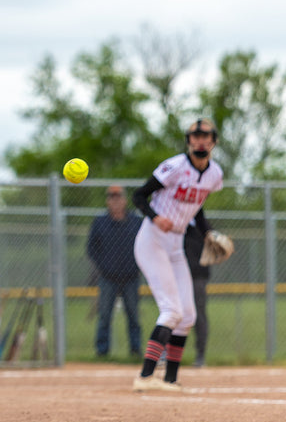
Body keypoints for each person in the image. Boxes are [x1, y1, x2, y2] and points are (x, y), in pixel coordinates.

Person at [130, 119, 223, 392]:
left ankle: (169, 380)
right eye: (195, 136)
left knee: (188, 316)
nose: (200, 140)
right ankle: (145, 377)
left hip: (175, 245)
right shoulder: (174, 167)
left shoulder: (214, 174)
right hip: (152, 241)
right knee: (171, 310)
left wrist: (207, 233)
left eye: (205, 135)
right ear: (188, 141)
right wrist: (155, 217)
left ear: (214, 141)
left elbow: (198, 207)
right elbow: (139, 195)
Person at [86, 185, 143, 358]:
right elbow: (91, 248)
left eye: (118, 197)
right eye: (112, 198)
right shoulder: (100, 222)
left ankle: (135, 351)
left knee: (133, 316)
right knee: (104, 316)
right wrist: (103, 265)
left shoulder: (136, 221)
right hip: (108, 277)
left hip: (131, 276)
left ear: (125, 200)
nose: (115, 201)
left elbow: (145, 244)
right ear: (108, 201)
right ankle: (102, 352)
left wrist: (138, 264)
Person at [183, 221, 210, 367]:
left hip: (198, 276)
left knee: (198, 315)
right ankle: (166, 354)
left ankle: (200, 354)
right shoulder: (174, 223)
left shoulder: (203, 225)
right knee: (172, 313)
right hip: (176, 276)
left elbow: (213, 243)